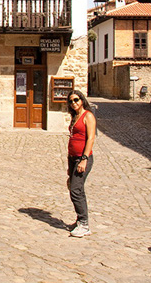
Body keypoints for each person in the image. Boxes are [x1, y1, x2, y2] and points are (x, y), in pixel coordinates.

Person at [66, 89, 96, 238]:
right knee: (75, 188)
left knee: (76, 190)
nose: (74, 103)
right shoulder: (75, 116)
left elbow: (90, 138)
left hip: (82, 158)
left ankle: (84, 224)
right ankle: (80, 220)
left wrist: (84, 159)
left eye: (76, 100)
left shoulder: (87, 116)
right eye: (71, 101)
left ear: (82, 100)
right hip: (73, 157)